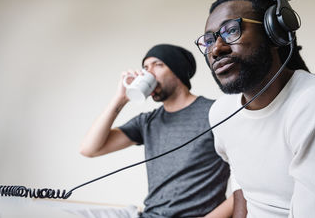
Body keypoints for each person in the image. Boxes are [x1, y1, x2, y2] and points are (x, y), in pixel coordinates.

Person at [196, 0, 315, 218]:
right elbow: (242, 183)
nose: (217, 49)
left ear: (274, 34)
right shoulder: (221, 112)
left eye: (231, 31)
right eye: (209, 41)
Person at [80, 44, 231, 218]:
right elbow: (89, 149)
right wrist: (120, 99)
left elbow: (245, 184)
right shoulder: (147, 121)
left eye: (157, 65)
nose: (148, 73)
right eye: (145, 67)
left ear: (177, 71)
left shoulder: (216, 112)